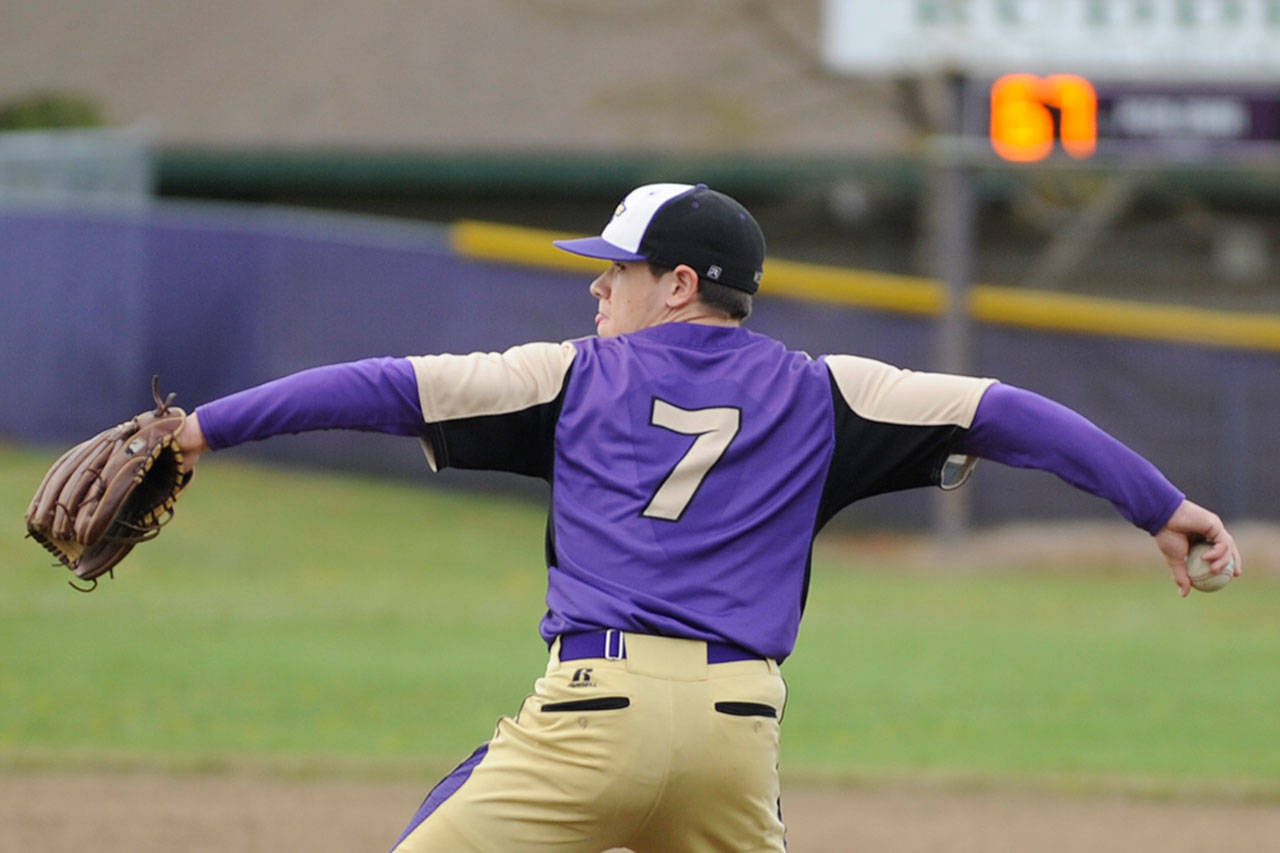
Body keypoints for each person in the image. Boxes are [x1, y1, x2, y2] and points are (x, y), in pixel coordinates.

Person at [175, 182, 1241, 852]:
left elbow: (376, 385)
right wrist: (1160, 506)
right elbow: (1009, 413)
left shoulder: (566, 375)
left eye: (615, 270)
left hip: (588, 722)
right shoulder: (833, 390)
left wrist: (205, 432)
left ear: (678, 282)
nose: (596, 291)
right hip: (738, 735)